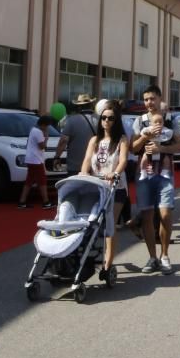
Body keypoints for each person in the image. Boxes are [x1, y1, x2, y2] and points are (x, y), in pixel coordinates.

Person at [131, 85, 180, 274]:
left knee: (166, 214)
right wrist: (145, 138)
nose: (149, 103)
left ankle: (165, 255)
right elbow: (133, 148)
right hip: (145, 174)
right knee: (146, 215)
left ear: (160, 99)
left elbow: (178, 146)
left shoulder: (171, 120)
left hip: (165, 174)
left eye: (152, 98)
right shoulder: (140, 121)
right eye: (146, 99)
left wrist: (161, 149)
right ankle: (152, 257)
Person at [79, 101, 127, 273]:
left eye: (111, 118)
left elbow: (123, 161)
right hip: (97, 185)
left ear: (116, 120)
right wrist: (83, 173)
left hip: (116, 187)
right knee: (91, 222)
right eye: (104, 118)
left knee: (109, 224)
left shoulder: (121, 140)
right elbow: (86, 160)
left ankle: (108, 263)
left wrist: (115, 173)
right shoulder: (94, 140)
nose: (106, 121)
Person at [55, 94, 97, 176]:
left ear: (79, 107)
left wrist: (57, 156)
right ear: (91, 105)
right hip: (95, 166)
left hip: (75, 166)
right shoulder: (101, 120)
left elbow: (63, 141)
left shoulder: (71, 120)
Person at [18, 115, 55, 209]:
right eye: (47, 126)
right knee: (42, 181)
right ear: (43, 125)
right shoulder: (38, 132)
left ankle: (22, 202)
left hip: (31, 159)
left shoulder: (33, 130)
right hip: (36, 160)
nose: (47, 128)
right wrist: (46, 138)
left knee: (29, 181)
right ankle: (46, 202)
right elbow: (42, 146)